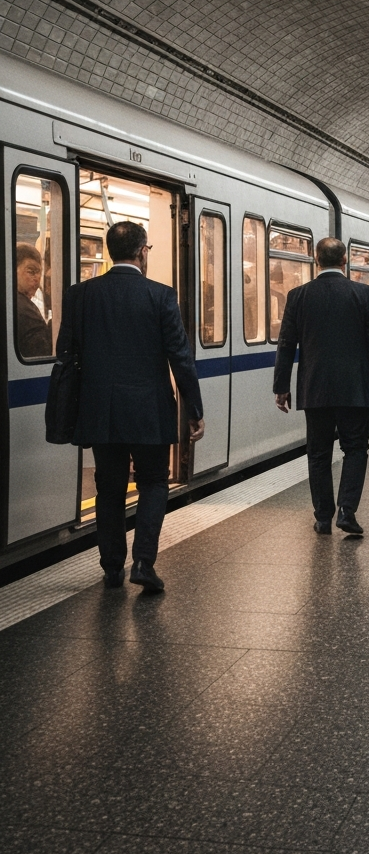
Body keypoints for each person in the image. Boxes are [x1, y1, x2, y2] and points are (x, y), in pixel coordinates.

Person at [55, 221, 204, 592]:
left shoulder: (80, 295)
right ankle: (142, 562)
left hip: (100, 410)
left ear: (110, 252)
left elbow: (66, 354)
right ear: (142, 252)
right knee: (154, 482)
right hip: (149, 409)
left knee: (109, 488)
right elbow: (180, 358)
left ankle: (111, 569)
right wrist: (194, 410)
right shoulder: (161, 296)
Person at [274, 238, 369, 535]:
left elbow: (286, 345)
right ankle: (346, 512)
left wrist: (281, 386)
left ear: (316, 260)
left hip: (315, 388)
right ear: (345, 261)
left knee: (318, 453)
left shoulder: (297, 295)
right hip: (354, 388)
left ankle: (323, 517)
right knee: (355, 449)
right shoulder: (362, 293)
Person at [15, 244, 52, 358]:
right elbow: (42, 352)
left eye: (39, 273)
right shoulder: (23, 309)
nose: (37, 279)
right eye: (31, 272)